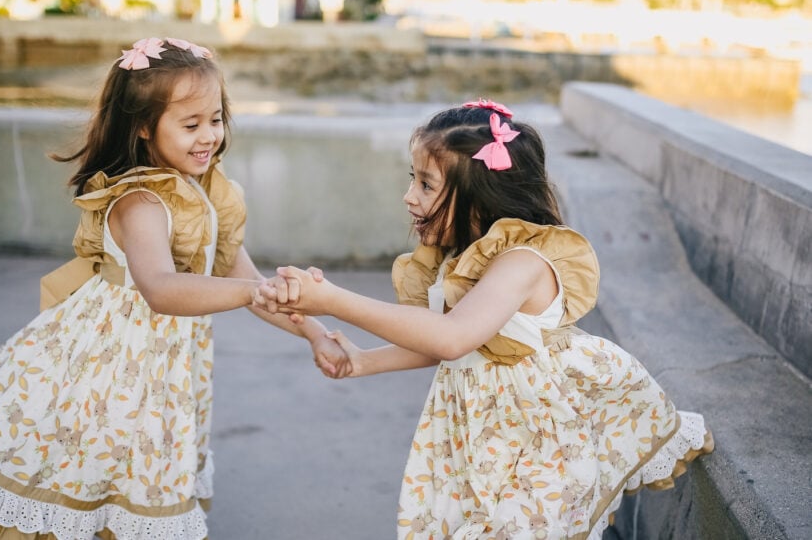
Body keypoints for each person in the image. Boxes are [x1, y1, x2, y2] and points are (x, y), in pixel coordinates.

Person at [0, 37, 345, 539]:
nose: (209, 137)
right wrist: (253, 294)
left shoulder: (205, 190)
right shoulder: (139, 202)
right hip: (107, 375)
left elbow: (247, 279)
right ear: (143, 126)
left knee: (134, 482)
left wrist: (315, 333)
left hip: (161, 378)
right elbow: (161, 288)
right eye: (191, 124)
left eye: (216, 119)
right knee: (86, 482)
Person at [257, 100, 715, 539]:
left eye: (425, 185)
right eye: (412, 180)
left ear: (481, 195)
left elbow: (454, 338)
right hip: (478, 441)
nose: (409, 197)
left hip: (536, 440)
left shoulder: (522, 261)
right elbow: (442, 341)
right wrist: (364, 362)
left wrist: (333, 299)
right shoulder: (460, 259)